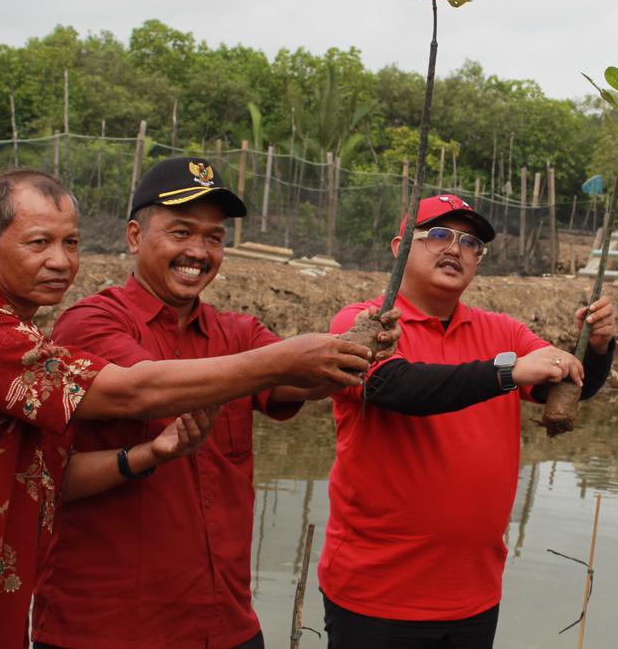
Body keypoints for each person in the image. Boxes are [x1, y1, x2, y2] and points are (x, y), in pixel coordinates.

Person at [0, 169, 391, 648]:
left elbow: (52, 474)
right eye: (39, 243)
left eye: (71, 243)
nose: (60, 261)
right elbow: (133, 389)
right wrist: (279, 361)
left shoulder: (28, 336)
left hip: (1, 604)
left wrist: (350, 347)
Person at [30, 157, 397, 649]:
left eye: (214, 238)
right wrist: (280, 359)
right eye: (181, 232)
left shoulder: (238, 333)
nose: (198, 252)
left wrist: (356, 346)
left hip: (224, 623)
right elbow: (146, 387)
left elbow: (302, 381)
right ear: (135, 237)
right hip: (111, 627)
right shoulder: (91, 322)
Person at [318, 193, 617, 649]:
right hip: (376, 595)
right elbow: (395, 387)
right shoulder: (365, 322)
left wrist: (592, 349)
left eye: (471, 242)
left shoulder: (504, 331)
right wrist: (506, 372)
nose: (455, 249)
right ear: (400, 247)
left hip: (473, 596)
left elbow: (563, 387)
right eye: (438, 235)